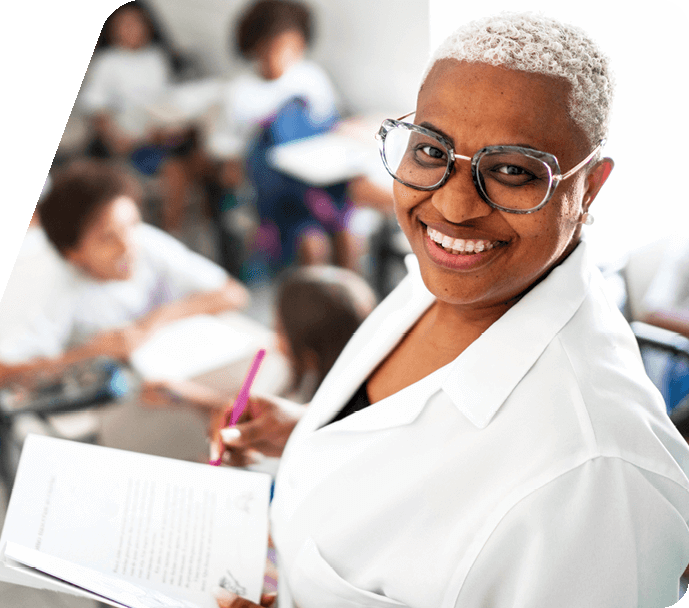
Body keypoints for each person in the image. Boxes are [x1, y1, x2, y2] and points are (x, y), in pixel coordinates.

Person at [212, 12, 689, 608]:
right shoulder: (447, 279)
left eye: (513, 171)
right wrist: (317, 430)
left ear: (589, 188)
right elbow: (423, 435)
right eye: (432, 149)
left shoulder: (600, 481)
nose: (454, 205)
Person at [0, 159, 249, 403]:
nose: (127, 246)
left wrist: (150, 323)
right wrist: (92, 352)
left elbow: (234, 293)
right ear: (73, 253)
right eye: (107, 238)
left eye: (131, 225)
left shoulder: (144, 242)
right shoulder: (50, 286)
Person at [140, 264, 377, 464]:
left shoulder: (330, 426)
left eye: (280, 331)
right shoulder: (354, 375)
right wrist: (188, 395)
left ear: (309, 357)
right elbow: (253, 418)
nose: (273, 340)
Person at [206, 0, 362, 275]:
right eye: (274, 48)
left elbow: (331, 127)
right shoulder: (240, 92)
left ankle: (349, 303)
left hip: (321, 187)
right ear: (255, 46)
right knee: (314, 246)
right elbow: (225, 157)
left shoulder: (311, 79)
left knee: (350, 238)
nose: (283, 57)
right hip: (278, 197)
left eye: (293, 48)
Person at [78, 1, 201, 232]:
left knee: (199, 160)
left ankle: (195, 226)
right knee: (174, 171)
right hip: (133, 139)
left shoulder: (158, 57)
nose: (132, 30)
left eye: (137, 23)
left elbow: (170, 99)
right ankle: (169, 232)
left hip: (162, 132)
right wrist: (116, 137)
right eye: (124, 25)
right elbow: (96, 109)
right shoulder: (108, 62)